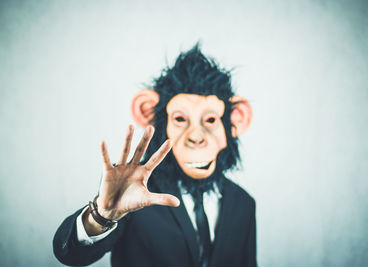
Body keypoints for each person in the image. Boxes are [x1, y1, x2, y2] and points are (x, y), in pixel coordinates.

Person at [53, 44, 257, 267]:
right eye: (180, 119)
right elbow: (71, 255)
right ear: (147, 112)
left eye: (210, 120)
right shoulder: (135, 192)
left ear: (237, 120)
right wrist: (102, 215)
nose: (197, 137)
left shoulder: (243, 204)